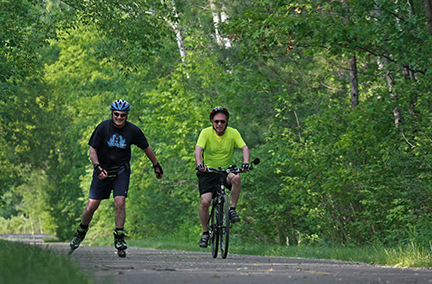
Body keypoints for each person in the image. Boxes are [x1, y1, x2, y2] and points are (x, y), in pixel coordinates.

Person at [70, 99, 163, 256]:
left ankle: (119, 237)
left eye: (123, 115)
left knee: (120, 203)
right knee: (92, 205)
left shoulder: (132, 130)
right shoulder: (103, 127)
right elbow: (92, 150)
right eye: (116, 114)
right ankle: (81, 231)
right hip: (102, 170)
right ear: (112, 113)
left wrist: (156, 165)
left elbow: (147, 149)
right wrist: (97, 167)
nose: (119, 118)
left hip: (121, 171)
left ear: (127, 115)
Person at [194, 106, 250, 248]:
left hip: (226, 171)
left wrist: (245, 163)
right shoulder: (205, 133)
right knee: (205, 202)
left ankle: (232, 209)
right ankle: (205, 232)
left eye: (222, 121)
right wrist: (200, 164)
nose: (219, 124)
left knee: (236, 178)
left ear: (227, 122)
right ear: (212, 122)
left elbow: (244, 148)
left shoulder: (233, 133)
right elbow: (198, 149)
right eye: (216, 121)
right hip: (208, 172)